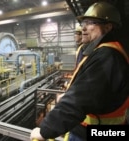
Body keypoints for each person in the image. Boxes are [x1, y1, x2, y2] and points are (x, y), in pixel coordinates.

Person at [30, 1, 129, 141]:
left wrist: (45, 131)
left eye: (90, 23)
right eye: (83, 24)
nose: (83, 28)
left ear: (107, 27)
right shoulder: (104, 52)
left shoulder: (107, 56)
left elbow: (78, 99)